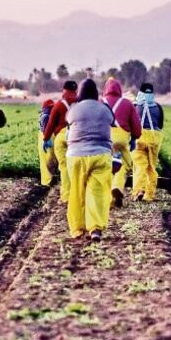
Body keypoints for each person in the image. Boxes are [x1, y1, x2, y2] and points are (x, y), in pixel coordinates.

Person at [65, 79, 114, 241]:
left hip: (76, 155)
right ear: (95, 93)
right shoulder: (104, 109)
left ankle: (77, 229)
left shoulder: (73, 109)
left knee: (77, 192)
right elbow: (111, 121)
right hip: (101, 153)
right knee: (98, 191)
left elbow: (68, 123)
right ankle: (95, 228)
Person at [101, 78, 142, 208]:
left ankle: (107, 198)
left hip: (104, 138)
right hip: (121, 139)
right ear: (119, 89)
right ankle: (117, 186)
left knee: (104, 166)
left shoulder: (99, 102)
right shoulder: (127, 103)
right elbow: (136, 126)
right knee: (124, 165)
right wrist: (134, 138)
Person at [42, 80, 78, 204]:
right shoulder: (80, 103)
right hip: (75, 137)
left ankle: (66, 196)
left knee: (64, 167)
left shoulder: (59, 105)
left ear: (64, 90)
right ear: (76, 90)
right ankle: (77, 195)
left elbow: (51, 124)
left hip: (61, 137)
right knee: (76, 167)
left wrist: (46, 139)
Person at [131, 82, 164, 201]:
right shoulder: (158, 107)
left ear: (141, 92)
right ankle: (149, 195)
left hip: (139, 138)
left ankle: (139, 190)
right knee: (151, 167)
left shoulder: (135, 106)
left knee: (140, 165)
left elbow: (132, 124)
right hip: (154, 139)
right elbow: (160, 125)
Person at [37, 99, 55, 187]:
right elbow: (45, 129)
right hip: (46, 137)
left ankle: (47, 180)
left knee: (46, 160)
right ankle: (47, 181)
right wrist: (46, 139)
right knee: (48, 159)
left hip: (43, 138)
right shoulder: (46, 116)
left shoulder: (43, 115)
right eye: (51, 107)